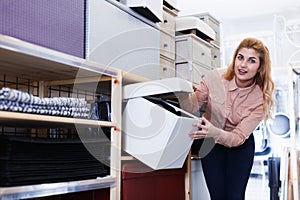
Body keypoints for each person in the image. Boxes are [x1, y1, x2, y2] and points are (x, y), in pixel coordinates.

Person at [178, 37, 275, 200]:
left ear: (260, 68)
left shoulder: (260, 99)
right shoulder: (214, 78)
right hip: (210, 143)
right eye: (240, 57)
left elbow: (237, 138)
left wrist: (214, 131)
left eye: (251, 61)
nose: (243, 65)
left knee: (235, 196)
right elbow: (191, 107)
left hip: (240, 146)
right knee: (217, 196)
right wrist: (183, 91)